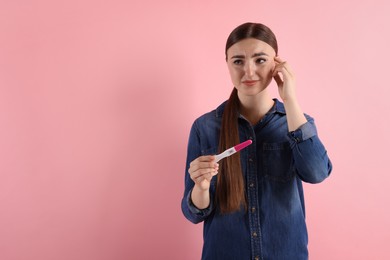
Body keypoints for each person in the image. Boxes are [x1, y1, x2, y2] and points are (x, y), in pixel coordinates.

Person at [181, 22, 332, 260]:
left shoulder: (297, 122)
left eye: (260, 60)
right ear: (228, 65)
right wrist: (200, 187)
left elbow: (317, 173)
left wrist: (290, 99)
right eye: (238, 61)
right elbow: (194, 213)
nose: (249, 72)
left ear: (277, 63)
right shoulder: (205, 127)